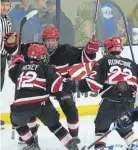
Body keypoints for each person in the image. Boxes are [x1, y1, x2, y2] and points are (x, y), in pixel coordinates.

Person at [4, 26, 99, 144]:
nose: (50, 43)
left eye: (53, 40)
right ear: (43, 40)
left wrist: (90, 51)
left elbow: (83, 57)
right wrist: (11, 45)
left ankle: (73, 136)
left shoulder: (66, 51)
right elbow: (16, 51)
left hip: (58, 85)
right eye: (48, 40)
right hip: (38, 87)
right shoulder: (34, 48)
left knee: (70, 107)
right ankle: (32, 133)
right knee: (30, 107)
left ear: (57, 40)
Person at [5, 37, 79, 150]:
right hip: (42, 104)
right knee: (55, 126)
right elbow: (55, 88)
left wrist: (16, 62)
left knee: (17, 122)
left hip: (20, 105)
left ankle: (31, 144)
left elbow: (12, 74)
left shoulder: (19, 67)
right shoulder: (46, 67)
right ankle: (71, 145)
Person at [69, 36, 138, 150]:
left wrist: (71, 85)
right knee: (125, 128)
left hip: (110, 103)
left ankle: (100, 148)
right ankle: (134, 145)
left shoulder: (104, 61)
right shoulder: (132, 63)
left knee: (101, 127)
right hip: (129, 104)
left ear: (107, 49)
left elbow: (93, 84)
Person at [0, 0, 12, 91]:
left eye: (7, 5)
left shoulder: (8, 20)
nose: (4, 7)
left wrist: (9, 56)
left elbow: (9, 38)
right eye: (2, 4)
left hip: (3, 55)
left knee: (1, 83)